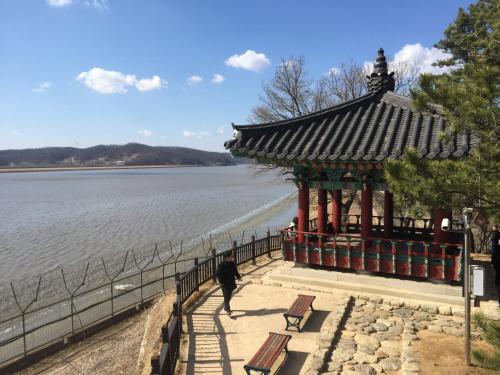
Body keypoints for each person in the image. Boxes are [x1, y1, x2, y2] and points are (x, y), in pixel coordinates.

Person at [490, 225, 500, 304]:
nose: (493, 228)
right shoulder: (494, 233)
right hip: (494, 248)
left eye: (494, 227)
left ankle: (497, 281)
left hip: (496, 249)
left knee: (496, 260)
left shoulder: (497, 233)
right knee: (494, 258)